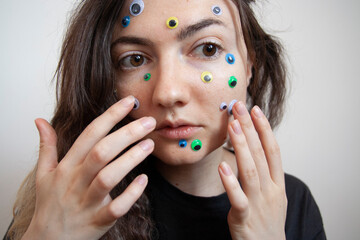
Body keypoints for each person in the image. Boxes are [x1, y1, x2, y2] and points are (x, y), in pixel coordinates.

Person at [4, 0, 326, 239]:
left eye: (209, 48)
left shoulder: (291, 204)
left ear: (249, 64)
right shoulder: (71, 196)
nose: (168, 92)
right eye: (135, 59)